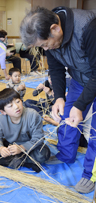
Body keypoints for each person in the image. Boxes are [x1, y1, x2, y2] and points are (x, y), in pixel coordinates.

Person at [20, 6, 96, 193]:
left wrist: (80, 105)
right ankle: (66, 154)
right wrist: (60, 97)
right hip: (79, 79)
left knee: (95, 130)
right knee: (66, 117)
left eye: (45, 45)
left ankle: (90, 174)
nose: (45, 49)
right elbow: (55, 69)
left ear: (55, 28)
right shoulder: (48, 32)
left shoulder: (89, 28)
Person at [0, 88, 50, 172]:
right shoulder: (1, 119)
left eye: (18, 101)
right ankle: (27, 163)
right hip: (11, 146)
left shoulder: (32, 115)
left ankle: (14, 161)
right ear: (3, 112)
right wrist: (1, 148)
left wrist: (21, 148)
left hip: (29, 147)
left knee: (44, 153)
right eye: (10, 106)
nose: (16, 106)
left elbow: (38, 138)